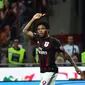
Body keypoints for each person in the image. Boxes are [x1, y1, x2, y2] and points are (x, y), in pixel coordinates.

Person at [23, 13, 80, 85]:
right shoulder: (37, 37)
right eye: (38, 29)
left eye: (43, 28)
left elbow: (65, 54)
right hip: (42, 71)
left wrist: (75, 67)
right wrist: (33, 19)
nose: (40, 31)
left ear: (48, 30)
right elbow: (25, 31)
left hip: (51, 70)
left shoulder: (54, 41)